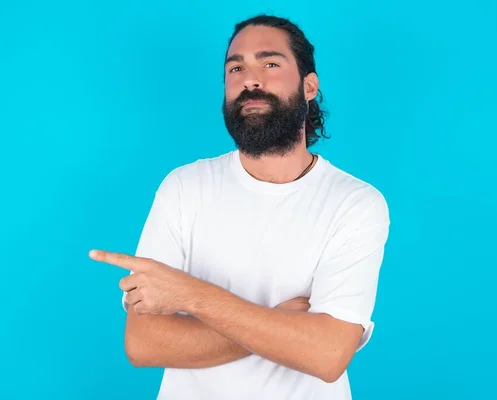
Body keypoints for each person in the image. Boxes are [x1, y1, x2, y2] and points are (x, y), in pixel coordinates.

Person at [90, 14, 390, 400]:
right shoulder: (184, 187)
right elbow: (144, 343)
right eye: (236, 67)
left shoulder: (355, 203)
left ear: (310, 85)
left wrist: (189, 296)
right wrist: (282, 326)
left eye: (270, 63)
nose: (250, 79)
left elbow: (327, 355)